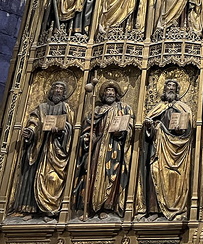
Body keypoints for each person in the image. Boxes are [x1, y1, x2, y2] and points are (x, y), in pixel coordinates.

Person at [11, 81, 73, 218]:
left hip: (55, 149)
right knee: (31, 176)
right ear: (51, 91)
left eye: (61, 89)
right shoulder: (42, 107)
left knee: (51, 178)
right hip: (38, 147)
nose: (58, 91)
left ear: (64, 93)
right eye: (55, 88)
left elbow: (71, 127)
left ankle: (49, 210)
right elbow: (34, 122)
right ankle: (29, 209)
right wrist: (30, 131)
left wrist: (61, 130)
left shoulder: (66, 107)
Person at [136, 79, 192, 221]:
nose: (171, 88)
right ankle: (154, 210)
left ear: (177, 91)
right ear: (164, 89)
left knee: (174, 178)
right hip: (158, 150)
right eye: (168, 86)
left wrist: (181, 130)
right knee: (153, 174)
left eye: (173, 86)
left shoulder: (183, 108)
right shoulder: (158, 108)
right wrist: (150, 126)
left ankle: (176, 210)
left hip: (176, 151)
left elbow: (189, 131)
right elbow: (148, 134)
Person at [75, 82, 133, 218]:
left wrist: (122, 133)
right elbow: (89, 128)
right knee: (92, 174)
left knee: (111, 176)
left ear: (117, 93)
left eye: (112, 91)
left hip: (114, 146)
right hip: (98, 146)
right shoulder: (97, 110)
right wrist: (88, 137)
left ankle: (106, 207)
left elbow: (131, 127)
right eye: (107, 91)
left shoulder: (124, 108)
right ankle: (89, 207)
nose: (110, 93)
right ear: (103, 93)